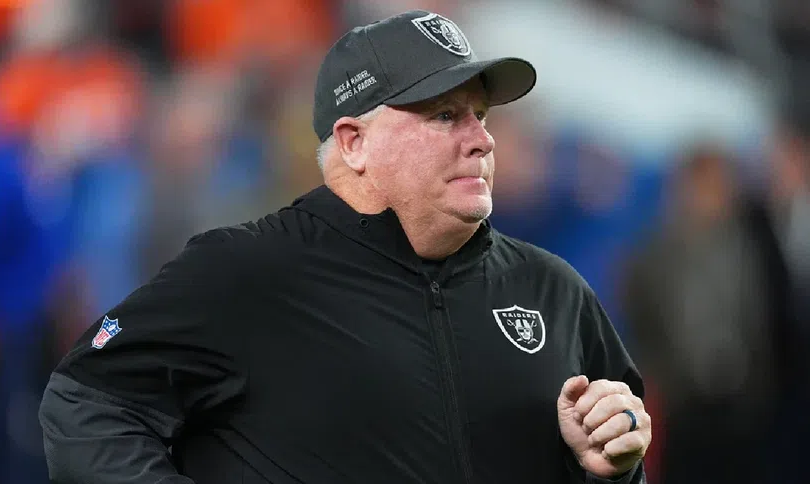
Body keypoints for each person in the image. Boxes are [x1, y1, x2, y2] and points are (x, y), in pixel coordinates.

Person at [39, 10, 651, 484]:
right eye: (445, 116)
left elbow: (616, 461)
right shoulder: (248, 270)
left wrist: (612, 471)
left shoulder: (551, 289)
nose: (482, 140)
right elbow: (85, 403)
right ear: (355, 143)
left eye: (481, 115)